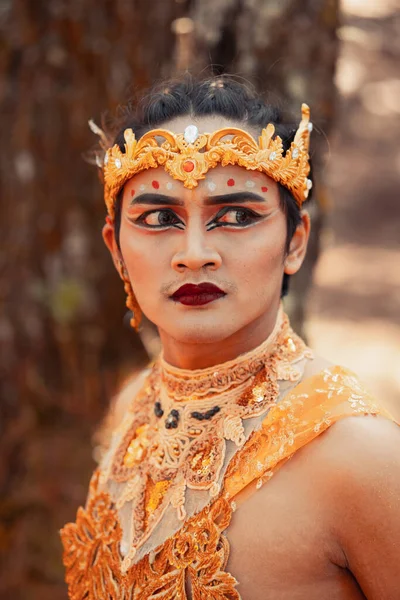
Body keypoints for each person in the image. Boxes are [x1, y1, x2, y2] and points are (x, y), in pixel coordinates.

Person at [61, 77, 400, 600]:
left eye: (237, 216)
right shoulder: (132, 409)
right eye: (159, 217)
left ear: (295, 242)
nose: (194, 253)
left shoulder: (360, 460)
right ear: (116, 249)